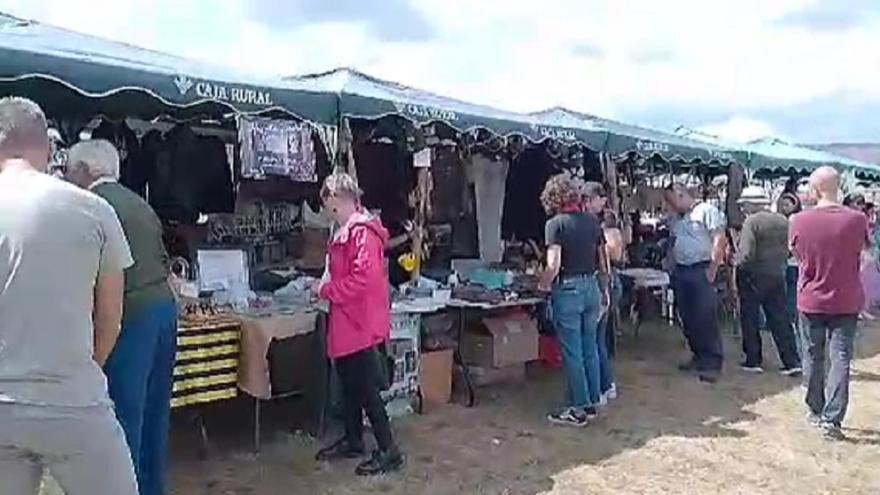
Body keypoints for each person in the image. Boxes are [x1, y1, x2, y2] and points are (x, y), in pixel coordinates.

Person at [0, 97, 138, 494]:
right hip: (72, 399)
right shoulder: (93, 210)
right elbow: (111, 318)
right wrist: (85, 370)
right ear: (46, 146)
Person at [64, 139, 177, 495]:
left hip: (131, 314)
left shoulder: (88, 206)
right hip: (163, 309)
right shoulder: (140, 203)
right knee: (155, 414)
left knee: (124, 416)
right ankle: (152, 487)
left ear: (82, 171)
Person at [314, 172, 404, 475]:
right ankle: (353, 440)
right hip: (347, 319)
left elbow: (362, 280)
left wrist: (327, 291)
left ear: (341, 200)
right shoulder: (346, 230)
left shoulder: (361, 233)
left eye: (332, 207)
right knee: (350, 385)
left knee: (365, 389)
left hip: (360, 322)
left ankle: (388, 449)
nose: (330, 213)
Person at [789, 166, 867, 440]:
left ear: (815, 189)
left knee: (812, 354)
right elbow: (865, 253)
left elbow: (796, 255)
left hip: (811, 297)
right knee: (840, 358)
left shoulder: (798, 220)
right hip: (846, 297)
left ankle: (815, 408)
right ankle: (832, 419)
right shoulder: (857, 220)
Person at [539, 174, 608, 427]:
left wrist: (543, 284)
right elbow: (602, 260)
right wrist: (603, 289)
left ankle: (577, 409)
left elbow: (553, 264)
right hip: (591, 286)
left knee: (572, 352)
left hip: (568, 289)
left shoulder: (555, 225)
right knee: (590, 347)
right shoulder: (592, 222)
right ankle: (591, 402)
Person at [734, 186, 801, 375]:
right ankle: (791, 361)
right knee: (780, 318)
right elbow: (790, 248)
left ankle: (753, 360)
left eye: (744, 205)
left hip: (753, 275)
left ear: (750, 204)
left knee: (750, 318)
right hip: (777, 274)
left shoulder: (751, 222)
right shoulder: (783, 220)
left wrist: (736, 263)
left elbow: (746, 253)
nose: (742, 208)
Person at [663, 183, 727, 382]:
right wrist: (670, 262)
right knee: (687, 316)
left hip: (701, 268)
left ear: (681, 194)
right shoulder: (676, 219)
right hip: (681, 270)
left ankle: (712, 361)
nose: (671, 206)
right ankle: (698, 355)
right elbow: (673, 241)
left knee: (704, 316)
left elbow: (719, 239)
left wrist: (713, 269)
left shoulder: (707, 211)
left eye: (672, 201)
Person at [582, 182, 618, 403]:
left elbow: (604, 260)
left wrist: (604, 288)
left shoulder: (595, 225)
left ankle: (601, 388)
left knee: (594, 341)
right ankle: (606, 385)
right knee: (597, 340)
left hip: (599, 283)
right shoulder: (595, 224)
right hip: (603, 283)